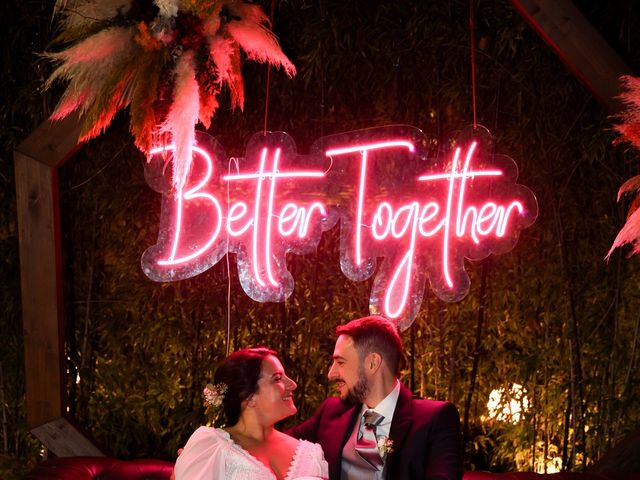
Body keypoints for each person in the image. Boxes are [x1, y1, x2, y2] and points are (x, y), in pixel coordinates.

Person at [287, 316, 463, 480]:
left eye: (340, 362)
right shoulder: (331, 412)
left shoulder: (435, 419)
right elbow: (274, 443)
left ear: (372, 363)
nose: (331, 374)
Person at [174, 347, 328, 480]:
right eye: (278, 378)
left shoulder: (311, 455)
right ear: (248, 396)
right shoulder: (210, 447)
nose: (293, 384)